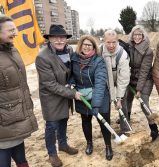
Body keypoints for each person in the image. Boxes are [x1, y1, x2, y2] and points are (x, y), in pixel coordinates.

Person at [35, 24, 80, 167]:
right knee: (52, 125)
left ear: (66, 39)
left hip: (65, 94)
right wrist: (72, 93)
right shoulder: (43, 57)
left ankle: (63, 144)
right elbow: (50, 84)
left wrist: (72, 83)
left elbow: (71, 71)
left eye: (62, 37)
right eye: (56, 38)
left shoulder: (69, 50)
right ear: (49, 39)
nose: (60, 40)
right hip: (51, 97)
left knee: (63, 120)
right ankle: (52, 154)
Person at [0, 15, 38, 167]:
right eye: (11, 30)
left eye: (15, 29)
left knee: (20, 154)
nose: (15, 33)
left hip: (17, 116)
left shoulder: (13, 50)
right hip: (4, 119)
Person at [70, 35, 113, 160]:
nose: (87, 47)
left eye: (90, 45)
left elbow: (100, 83)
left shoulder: (98, 61)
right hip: (82, 96)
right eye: (85, 44)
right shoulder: (74, 59)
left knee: (104, 122)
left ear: (94, 47)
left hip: (100, 96)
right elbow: (71, 74)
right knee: (86, 121)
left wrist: (96, 104)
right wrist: (72, 82)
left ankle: (108, 145)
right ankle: (89, 143)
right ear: (80, 46)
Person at [123, 25, 159, 141]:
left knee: (144, 104)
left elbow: (144, 71)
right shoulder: (129, 47)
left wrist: (139, 89)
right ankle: (126, 120)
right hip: (131, 79)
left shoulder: (148, 51)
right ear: (132, 36)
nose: (137, 37)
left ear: (143, 36)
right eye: (135, 34)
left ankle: (154, 128)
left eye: (139, 35)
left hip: (145, 80)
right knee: (127, 99)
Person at [101, 30, 130, 135]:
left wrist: (119, 98)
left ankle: (125, 129)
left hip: (119, 79)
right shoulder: (100, 52)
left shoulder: (123, 55)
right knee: (105, 105)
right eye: (108, 42)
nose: (111, 45)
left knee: (122, 104)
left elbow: (123, 79)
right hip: (105, 81)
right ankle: (107, 130)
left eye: (114, 42)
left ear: (117, 41)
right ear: (104, 41)